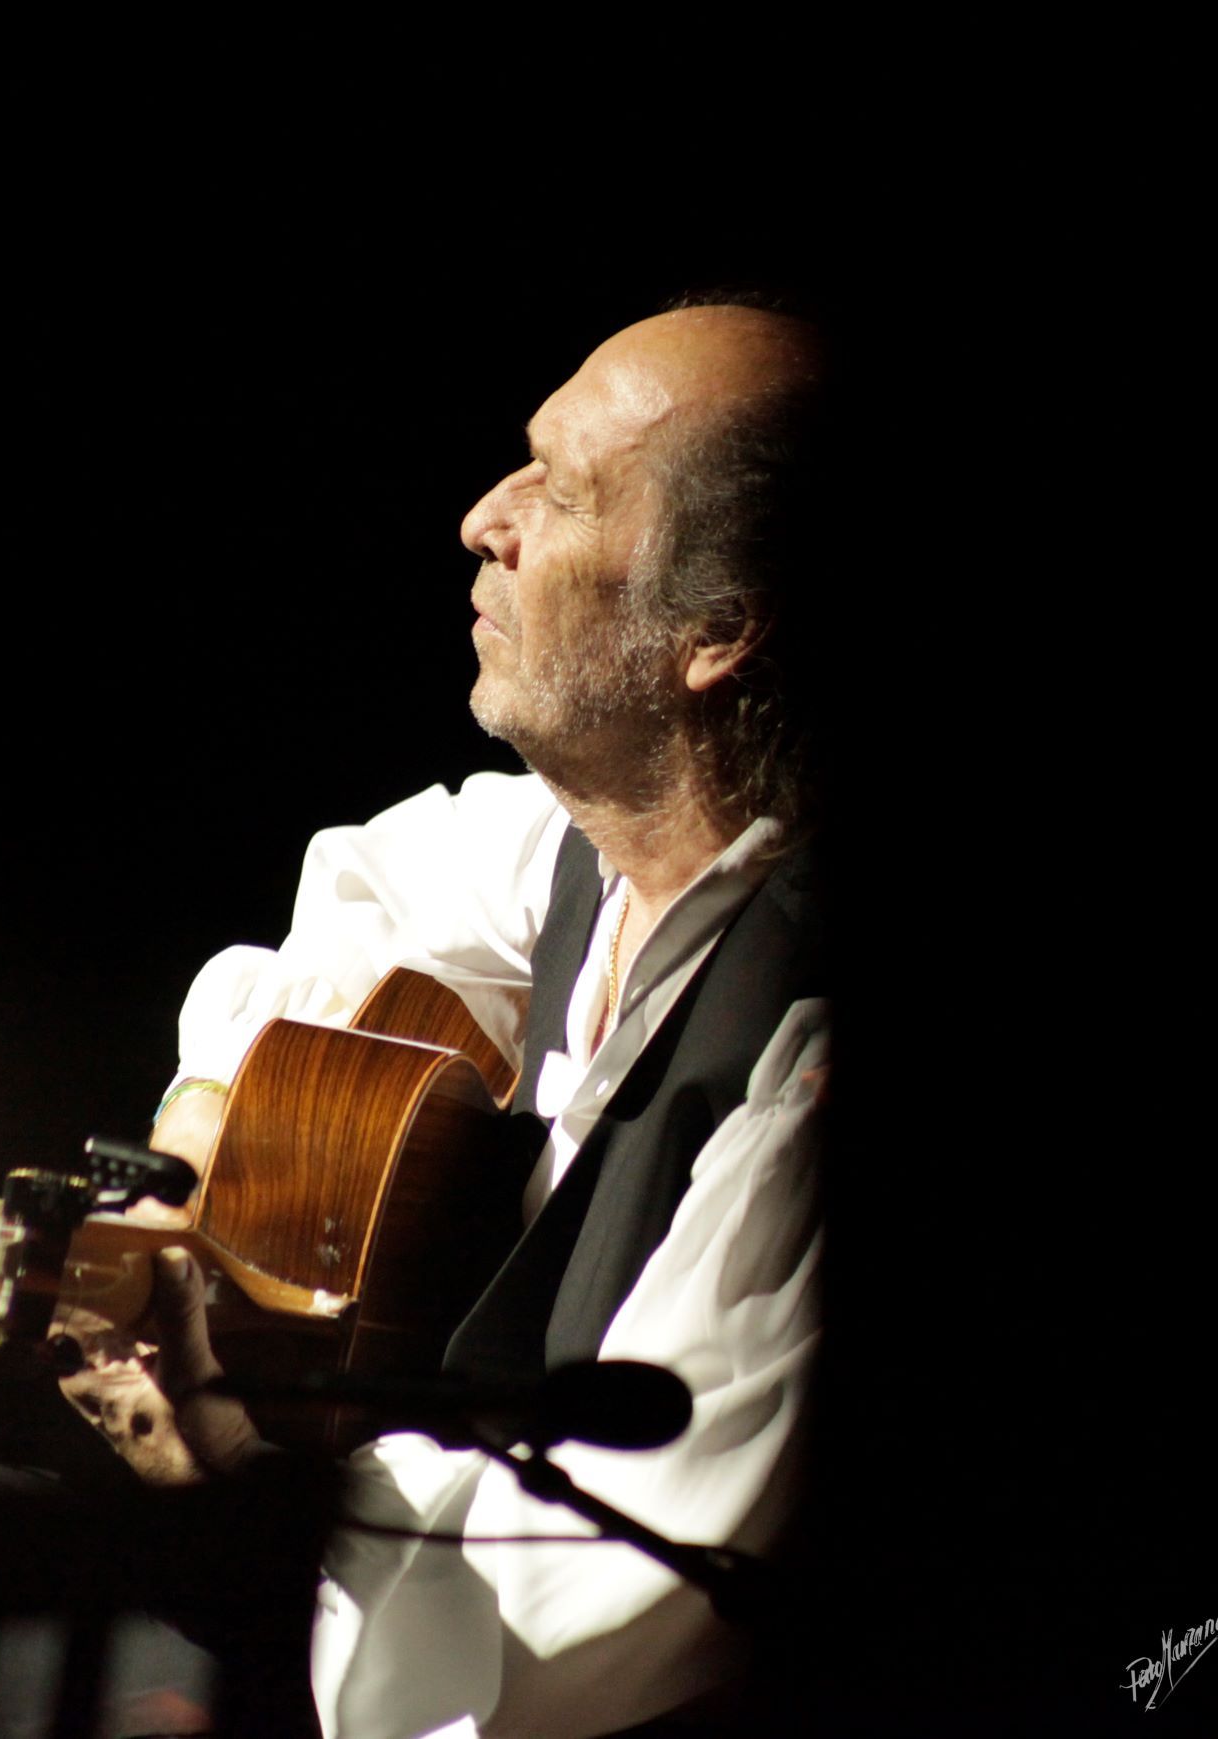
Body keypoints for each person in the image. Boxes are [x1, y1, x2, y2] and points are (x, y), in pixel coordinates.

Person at [60, 299, 835, 1738]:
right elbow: (365, 890)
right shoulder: (570, 847)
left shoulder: (800, 1061)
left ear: (717, 631)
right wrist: (201, 1154)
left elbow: (574, 1616)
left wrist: (260, 1427)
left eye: (564, 489)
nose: (487, 519)